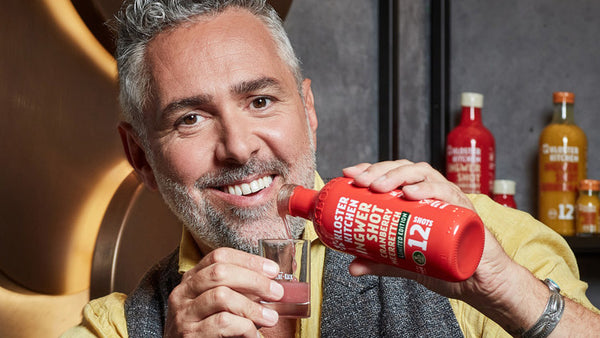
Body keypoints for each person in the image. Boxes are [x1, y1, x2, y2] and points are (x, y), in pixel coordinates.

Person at [63, 0, 600, 337]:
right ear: (141, 159)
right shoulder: (115, 327)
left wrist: (510, 291)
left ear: (309, 110)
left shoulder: (481, 239)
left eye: (260, 101)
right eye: (191, 118)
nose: (239, 147)